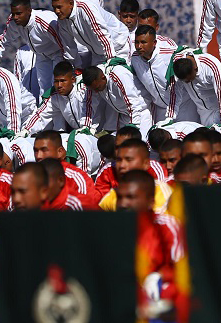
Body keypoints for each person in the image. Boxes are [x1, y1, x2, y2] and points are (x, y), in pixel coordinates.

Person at [117, 170, 184, 321]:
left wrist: (157, 278)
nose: (123, 204)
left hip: (161, 306)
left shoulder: (167, 227)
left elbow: (181, 272)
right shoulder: (109, 230)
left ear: (151, 201)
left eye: (131, 197)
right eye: (119, 197)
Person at [0, 0, 65, 97]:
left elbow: (64, 43)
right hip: (41, 55)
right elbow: (5, 39)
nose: (15, 17)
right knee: (44, 90)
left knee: (58, 86)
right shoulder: (14, 22)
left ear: (29, 10)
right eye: (13, 14)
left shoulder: (45, 22)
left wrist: (71, 63)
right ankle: (43, 112)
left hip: (58, 53)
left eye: (18, 13)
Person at [50, 0, 133, 70]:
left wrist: (111, 58)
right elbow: (68, 47)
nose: (56, 11)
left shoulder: (85, 9)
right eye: (54, 8)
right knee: (94, 81)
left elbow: (101, 34)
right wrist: (76, 68)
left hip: (119, 46)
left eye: (59, 7)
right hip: (97, 54)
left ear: (71, 4)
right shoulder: (62, 21)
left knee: (121, 76)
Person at [132, 24, 190, 123]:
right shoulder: (135, 58)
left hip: (184, 106)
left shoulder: (170, 55)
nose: (139, 46)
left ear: (154, 43)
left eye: (143, 42)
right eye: (136, 42)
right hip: (160, 109)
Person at [81, 59, 153, 137]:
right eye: (93, 89)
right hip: (124, 115)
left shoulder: (120, 75)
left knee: (140, 142)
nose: (96, 91)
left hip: (141, 112)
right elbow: (89, 105)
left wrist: (134, 125)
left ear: (103, 77)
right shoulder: (94, 81)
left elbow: (132, 101)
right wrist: (86, 126)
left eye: (98, 88)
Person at [169, 49, 221, 126]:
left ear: (195, 68)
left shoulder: (210, 65)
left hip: (220, 109)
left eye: (189, 80)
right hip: (203, 112)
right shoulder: (177, 65)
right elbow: (175, 93)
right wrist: (170, 117)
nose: (187, 82)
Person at [99, 141, 172, 211]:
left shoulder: (163, 194)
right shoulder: (112, 195)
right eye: (119, 160)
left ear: (146, 163)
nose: (122, 165)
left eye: (129, 160)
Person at [23, 59, 92, 133]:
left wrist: (86, 128)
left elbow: (89, 111)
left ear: (73, 79)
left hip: (96, 131)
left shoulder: (84, 90)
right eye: (56, 81)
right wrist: (26, 130)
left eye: (63, 81)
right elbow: (40, 115)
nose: (59, 85)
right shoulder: (54, 96)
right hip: (79, 133)